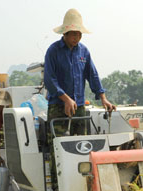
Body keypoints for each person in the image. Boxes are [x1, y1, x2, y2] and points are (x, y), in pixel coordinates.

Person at [44, 8, 116, 136]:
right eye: (73, 34)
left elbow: (93, 75)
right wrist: (66, 99)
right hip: (58, 106)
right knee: (58, 144)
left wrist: (103, 98)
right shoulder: (53, 51)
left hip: (79, 106)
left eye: (79, 34)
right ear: (65, 33)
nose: (77, 37)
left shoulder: (84, 52)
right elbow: (50, 80)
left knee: (81, 144)